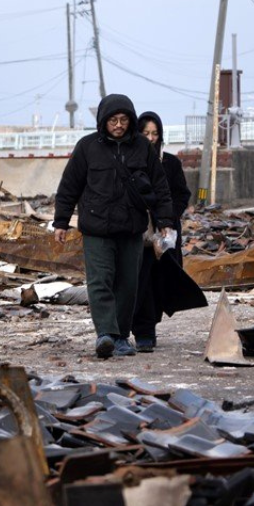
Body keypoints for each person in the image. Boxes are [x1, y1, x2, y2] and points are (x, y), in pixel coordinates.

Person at [54, 94, 176, 359]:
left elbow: (159, 186)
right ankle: (106, 334)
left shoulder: (142, 147)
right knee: (100, 281)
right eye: (113, 120)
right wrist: (61, 221)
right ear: (103, 121)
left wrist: (165, 220)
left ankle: (121, 336)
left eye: (123, 120)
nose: (118, 125)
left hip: (131, 228)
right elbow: (69, 186)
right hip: (97, 228)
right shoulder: (87, 147)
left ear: (130, 121)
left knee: (128, 285)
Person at [132, 111, 192, 352]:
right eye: (145, 133)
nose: (150, 138)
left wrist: (168, 217)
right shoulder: (132, 162)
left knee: (161, 277)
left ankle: (151, 323)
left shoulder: (170, 163)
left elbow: (182, 194)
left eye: (155, 134)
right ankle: (144, 330)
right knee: (141, 279)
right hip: (139, 231)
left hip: (166, 231)